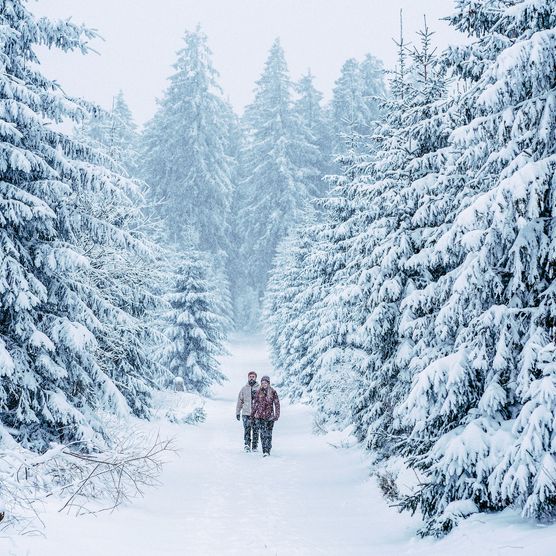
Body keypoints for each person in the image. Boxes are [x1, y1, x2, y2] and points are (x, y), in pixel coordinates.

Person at [252, 375, 280, 457]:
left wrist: (277, 415)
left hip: (270, 416)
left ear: (268, 383)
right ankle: (264, 450)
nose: (264, 384)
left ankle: (268, 449)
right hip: (260, 416)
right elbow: (255, 404)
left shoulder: (273, 392)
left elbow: (277, 404)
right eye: (262, 382)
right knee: (262, 434)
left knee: (268, 434)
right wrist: (252, 414)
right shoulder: (258, 392)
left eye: (265, 382)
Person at [236, 371, 259, 452]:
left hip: (256, 414)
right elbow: (240, 401)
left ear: (256, 378)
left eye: (253, 376)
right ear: (248, 378)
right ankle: (247, 445)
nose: (251, 378)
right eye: (250, 376)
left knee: (256, 430)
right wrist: (238, 412)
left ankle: (255, 446)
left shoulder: (259, 388)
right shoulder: (244, 389)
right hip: (246, 413)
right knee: (247, 430)